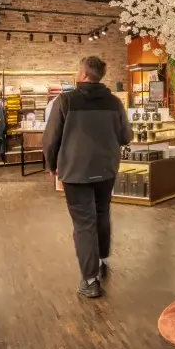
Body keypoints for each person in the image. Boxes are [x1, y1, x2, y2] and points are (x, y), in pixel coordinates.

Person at [43, 57, 131, 299]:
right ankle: (101, 260)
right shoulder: (114, 103)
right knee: (102, 213)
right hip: (106, 169)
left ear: (82, 75)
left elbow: (50, 139)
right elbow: (126, 136)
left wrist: (51, 165)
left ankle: (90, 280)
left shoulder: (65, 101)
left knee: (84, 224)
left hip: (75, 171)